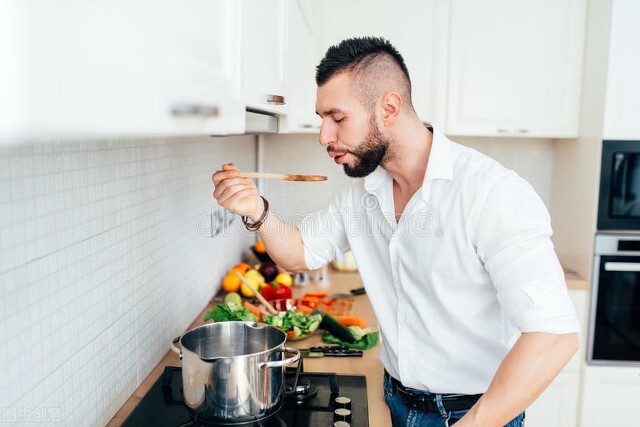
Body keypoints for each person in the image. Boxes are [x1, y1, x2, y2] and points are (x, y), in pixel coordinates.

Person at [212, 37, 579, 427]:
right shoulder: (363, 193)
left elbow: (553, 336)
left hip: (475, 413)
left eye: (337, 118)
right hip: (395, 400)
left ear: (389, 107)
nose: (324, 136)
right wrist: (257, 211)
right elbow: (300, 252)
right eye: (322, 119)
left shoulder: (492, 193)